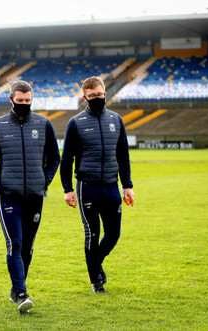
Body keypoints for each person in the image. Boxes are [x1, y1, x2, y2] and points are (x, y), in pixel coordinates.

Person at [0, 80, 60, 314]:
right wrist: (1, 179)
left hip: (35, 196)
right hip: (9, 196)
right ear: (11, 100)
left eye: (28, 101)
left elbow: (55, 158)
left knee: (27, 247)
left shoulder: (44, 124)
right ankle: (22, 293)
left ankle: (16, 289)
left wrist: (45, 181)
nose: (24, 104)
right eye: (20, 100)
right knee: (14, 244)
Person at [60, 76, 135, 294]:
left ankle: (96, 263)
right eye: (92, 96)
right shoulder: (76, 123)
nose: (97, 98)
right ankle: (96, 281)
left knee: (113, 234)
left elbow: (123, 155)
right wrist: (68, 189)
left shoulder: (116, 120)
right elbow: (67, 160)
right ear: (85, 97)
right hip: (87, 186)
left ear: (105, 94)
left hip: (112, 186)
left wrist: (127, 185)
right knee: (92, 233)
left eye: (100, 95)